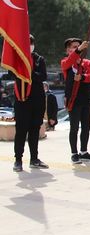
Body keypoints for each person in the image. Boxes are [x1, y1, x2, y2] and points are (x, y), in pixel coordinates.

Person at [12, 35, 48, 172]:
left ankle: (34, 159)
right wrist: (20, 66)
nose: (29, 46)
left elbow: (42, 77)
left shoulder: (39, 59)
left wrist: (28, 71)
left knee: (34, 130)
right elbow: (11, 73)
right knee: (21, 131)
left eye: (30, 43)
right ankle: (18, 160)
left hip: (37, 99)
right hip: (22, 100)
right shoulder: (17, 59)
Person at [61, 38, 90, 164]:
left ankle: (83, 151)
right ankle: (74, 153)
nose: (78, 48)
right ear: (68, 50)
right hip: (73, 99)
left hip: (85, 99)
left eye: (79, 46)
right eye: (74, 46)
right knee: (74, 127)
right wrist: (78, 50)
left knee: (86, 126)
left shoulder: (86, 62)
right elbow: (70, 60)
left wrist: (82, 77)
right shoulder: (66, 62)